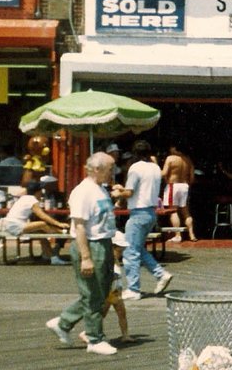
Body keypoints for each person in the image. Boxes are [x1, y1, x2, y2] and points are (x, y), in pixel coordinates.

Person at [45, 152, 120, 356]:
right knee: (92, 294)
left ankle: (64, 322)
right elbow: (79, 227)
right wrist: (86, 258)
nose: (113, 172)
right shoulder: (82, 192)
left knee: (100, 293)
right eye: (110, 168)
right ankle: (95, 339)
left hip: (104, 242)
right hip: (90, 245)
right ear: (97, 169)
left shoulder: (101, 189)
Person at [114, 140, 173, 301]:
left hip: (138, 212)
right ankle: (160, 274)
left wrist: (118, 192)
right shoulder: (155, 168)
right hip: (151, 212)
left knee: (130, 250)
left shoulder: (135, 168)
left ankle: (134, 289)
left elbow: (130, 192)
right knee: (138, 248)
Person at [79, 231, 135, 345]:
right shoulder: (105, 260)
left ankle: (125, 335)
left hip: (116, 289)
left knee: (121, 312)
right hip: (108, 290)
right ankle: (87, 332)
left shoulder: (115, 259)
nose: (121, 253)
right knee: (101, 313)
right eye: (119, 250)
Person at [0, 180, 71, 265]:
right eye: (41, 191)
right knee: (42, 224)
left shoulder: (24, 198)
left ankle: (50, 256)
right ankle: (63, 232)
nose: (42, 193)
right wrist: (59, 224)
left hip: (10, 224)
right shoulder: (32, 200)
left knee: (41, 233)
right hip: (14, 226)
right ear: (38, 191)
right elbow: (43, 216)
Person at [162, 145, 196, 242]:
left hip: (173, 185)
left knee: (173, 211)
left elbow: (164, 173)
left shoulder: (170, 158)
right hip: (184, 186)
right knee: (186, 211)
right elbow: (192, 178)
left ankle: (178, 235)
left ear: (175, 148)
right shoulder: (188, 160)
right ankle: (191, 234)